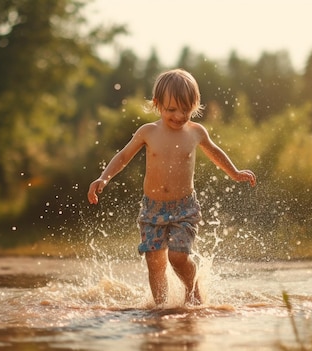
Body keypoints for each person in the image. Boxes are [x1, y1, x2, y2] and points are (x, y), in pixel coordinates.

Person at [88, 68, 256, 306]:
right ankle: (160, 308)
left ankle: (192, 290)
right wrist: (104, 178)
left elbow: (215, 153)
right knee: (155, 263)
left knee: (178, 257)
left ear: (195, 106)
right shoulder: (148, 132)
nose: (179, 115)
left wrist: (235, 172)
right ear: (157, 104)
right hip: (152, 209)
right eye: (171, 110)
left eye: (186, 110)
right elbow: (123, 156)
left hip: (184, 208)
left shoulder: (196, 132)